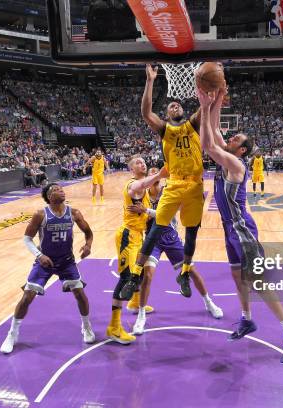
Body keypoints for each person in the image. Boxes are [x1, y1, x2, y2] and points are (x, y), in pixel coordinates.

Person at [197, 86, 283, 364]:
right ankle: (247, 320)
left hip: (243, 229)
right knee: (237, 277)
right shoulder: (228, 154)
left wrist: (203, 103)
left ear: (241, 149)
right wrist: (216, 100)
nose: (230, 137)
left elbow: (207, 144)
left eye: (235, 138)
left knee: (258, 281)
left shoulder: (235, 164)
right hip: (229, 228)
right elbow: (214, 130)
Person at [119, 64, 205, 301]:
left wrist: (209, 85)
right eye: (170, 106)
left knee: (192, 232)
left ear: (183, 111)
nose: (174, 105)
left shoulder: (192, 125)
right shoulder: (165, 129)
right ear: (167, 115)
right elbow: (146, 112)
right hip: (176, 183)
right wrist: (150, 81)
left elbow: (204, 106)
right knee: (156, 228)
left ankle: (184, 274)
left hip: (196, 185)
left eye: (177, 104)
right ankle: (135, 276)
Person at [127, 167, 224, 335]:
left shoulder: (168, 191)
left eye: (157, 171)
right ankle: (141, 315)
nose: (154, 173)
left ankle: (209, 302)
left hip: (170, 236)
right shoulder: (142, 194)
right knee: (147, 275)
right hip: (152, 239)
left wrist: (146, 211)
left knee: (191, 271)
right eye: (151, 172)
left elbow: (165, 213)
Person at [0, 183, 95, 354]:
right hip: (45, 262)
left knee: (80, 293)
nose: (62, 191)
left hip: (66, 261)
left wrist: (88, 245)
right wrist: (39, 256)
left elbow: (89, 232)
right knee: (27, 296)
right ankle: (12, 334)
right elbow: (27, 239)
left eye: (62, 189)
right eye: (57, 190)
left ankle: (86, 327)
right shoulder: (40, 214)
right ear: (49, 196)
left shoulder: (74, 213)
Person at [107, 155, 167, 344]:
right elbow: (138, 187)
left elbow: (148, 212)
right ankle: (114, 327)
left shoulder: (146, 189)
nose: (143, 163)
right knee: (126, 278)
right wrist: (160, 174)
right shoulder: (134, 185)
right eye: (138, 163)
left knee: (139, 274)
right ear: (132, 170)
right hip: (127, 236)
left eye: (143, 161)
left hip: (138, 235)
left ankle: (134, 303)